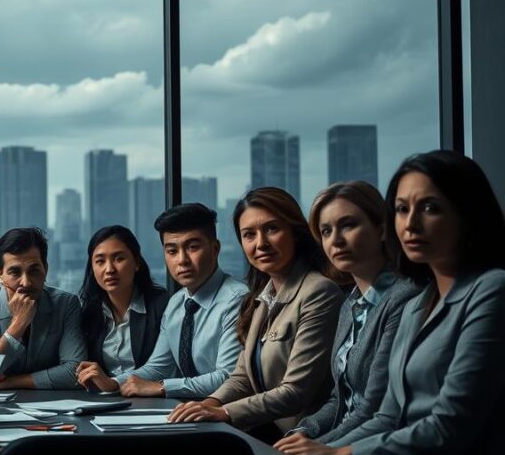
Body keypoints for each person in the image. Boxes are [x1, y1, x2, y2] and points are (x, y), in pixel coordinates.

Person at [273, 151, 505, 455]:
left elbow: (450, 426)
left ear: (467, 212)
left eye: (430, 208)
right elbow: (388, 414)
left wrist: (337, 454)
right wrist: (312, 443)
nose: (411, 224)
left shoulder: (491, 289)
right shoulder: (421, 300)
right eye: (401, 209)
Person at [169, 187, 343, 441]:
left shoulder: (319, 292)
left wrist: (224, 412)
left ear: (295, 232)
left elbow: (296, 392)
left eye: (272, 229)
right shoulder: (262, 298)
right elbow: (242, 378)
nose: (260, 243)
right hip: (269, 432)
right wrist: (208, 403)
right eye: (249, 235)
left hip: (307, 439)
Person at [274, 181, 420, 453]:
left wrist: (320, 449)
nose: (335, 240)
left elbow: (373, 409)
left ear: (381, 230)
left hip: (369, 451)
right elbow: (340, 399)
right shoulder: (350, 302)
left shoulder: (402, 299)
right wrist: (304, 430)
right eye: (326, 231)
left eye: (348, 225)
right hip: (338, 443)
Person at [78, 206, 246, 398]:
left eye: (192, 247)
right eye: (172, 251)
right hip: (188, 411)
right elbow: (158, 367)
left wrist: (162, 387)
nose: (182, 260)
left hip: (230, 415)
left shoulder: (237, 300)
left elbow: (229, 378)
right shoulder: (176, 303)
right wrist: (113, 383)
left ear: (215, 249)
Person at [0, 227, 86, 389]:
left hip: (52, 405)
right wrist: (17, 325)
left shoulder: (67, 304)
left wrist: (9, 383)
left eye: (34, 271)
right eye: (14, 272)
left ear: (45, 269)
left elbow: (75, 371)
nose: (26, 282)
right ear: (0, 274)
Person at [73, 225, 169, 391]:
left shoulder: (163, 306)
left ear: (137, 263)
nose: (109, 269)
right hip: (104, 402)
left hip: (152, 400)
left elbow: (164, 366)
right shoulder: (88, 312)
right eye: (100, 261)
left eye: (119, 259)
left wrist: (113, 383)